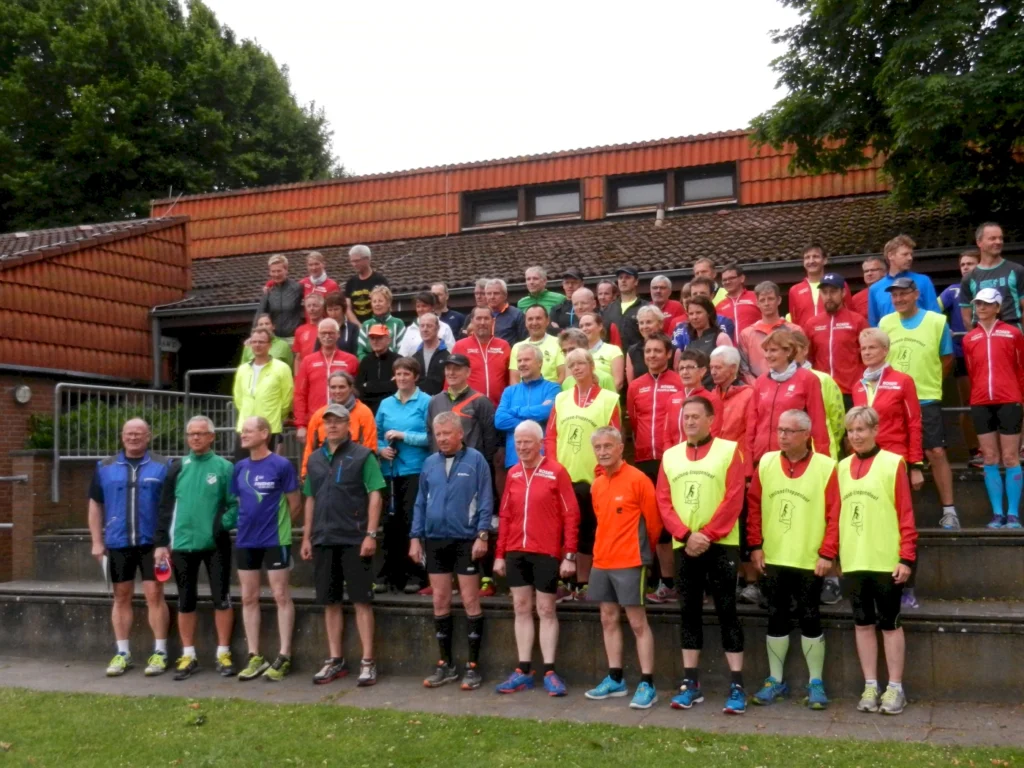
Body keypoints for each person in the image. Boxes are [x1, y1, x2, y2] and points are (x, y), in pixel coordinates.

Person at [657, 396, 748, 714]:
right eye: (686, 417)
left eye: (696, 416)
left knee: (727, 610)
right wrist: (685, 535)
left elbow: (734, 497)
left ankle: (736, 685)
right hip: (684, 545)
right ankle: (690, 684)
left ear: (711, 420)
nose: (690, 421)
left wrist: (707, 535)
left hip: (720, 545)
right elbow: (663, 502)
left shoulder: (729, 450)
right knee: (689, 613)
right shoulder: (669, 456)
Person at [746, 410, 839, 709]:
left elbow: (834, 514)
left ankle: (816, 682)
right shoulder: (767, 463)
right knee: (776, 616)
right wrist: (755, 546)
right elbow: (755, 507)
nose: (783, 435)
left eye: (790, 431)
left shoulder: (826, 467)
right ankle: (775, 680)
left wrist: (828, 552)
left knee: (810, 617)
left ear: (806, 435)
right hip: (774, 557)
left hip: (809, 559)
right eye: (780, 430)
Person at [839, 407, 917, 716]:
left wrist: (906, 557)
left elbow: (905, 513)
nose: (855, 436)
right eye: (850, 431)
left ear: (875, 430)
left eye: (861, 429)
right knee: (862, 623)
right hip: (854, 559)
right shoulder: (841, 467)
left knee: (889, 624)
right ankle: (871, 684)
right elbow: (836, 515)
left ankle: (895, 688)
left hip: (886, 560)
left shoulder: (893, 463)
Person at [301, 403, 386, 687]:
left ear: (348, 425)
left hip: (355, 537)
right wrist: (306, 536)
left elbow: (375, 494)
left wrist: (371, 535)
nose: (332, 426)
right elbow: (310, 498)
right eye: (328, 422)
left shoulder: (363, 455)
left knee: (362, 600)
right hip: (323, 538)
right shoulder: (313, 459)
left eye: (338, 421)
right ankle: (335, 659)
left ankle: (368, 661)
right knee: (330, 601)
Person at [493, 420, 579, 696]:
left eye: (527, 442)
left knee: (545, 609)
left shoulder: (556, 472)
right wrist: (499, 554)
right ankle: (523, 670)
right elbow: (505, 515)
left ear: (540, 443)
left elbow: (571, 515)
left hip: (547, 552)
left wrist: (569, 555)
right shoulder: (514, 473)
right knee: (520, 607)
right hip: (517, 550)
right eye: (518, 442)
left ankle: (550, 671)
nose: (522, 447)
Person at [412, 412, 493, 691]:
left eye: (448, 433)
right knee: (440, 602)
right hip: (435, 540)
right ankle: (445, 664)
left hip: (466, 539)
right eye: (439, 434)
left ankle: (473, 667)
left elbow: (485, 498)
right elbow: (421, 502)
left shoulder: (476, 460)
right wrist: (415, 537)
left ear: (460, 434)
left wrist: (482, 534)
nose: (443, 439)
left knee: (471, 600)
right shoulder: (429, 463)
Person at [584, 427, 663, 710]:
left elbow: (654, 524)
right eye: (598, 447)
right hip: (602, 560)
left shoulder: (638, 480)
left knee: (637, 622)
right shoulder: (596, 484)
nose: (603, 451)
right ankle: (615, 678)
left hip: (630, 560)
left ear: (620, 448)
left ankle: (648, 683)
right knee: (607, 618)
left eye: (608, 446)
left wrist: (641, 553)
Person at [154, 416, 236, 680]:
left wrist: (220, 525)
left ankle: (223, 653)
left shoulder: (225, 467)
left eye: (201, 433)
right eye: (191, 434)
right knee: (185, 600)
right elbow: (165, 508)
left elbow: (236, 504)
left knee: (221, 597)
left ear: (212, 437)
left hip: (215, 544)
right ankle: (188, 655)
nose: (196, 438)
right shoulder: (177, 467)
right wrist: (160, 543)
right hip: (181, 544)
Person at [88, 418, 170, 677]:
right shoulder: (104, 467)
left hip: (152, 545)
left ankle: (160, 652)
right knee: (120, 597)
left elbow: (171, 507)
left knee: (154, 595)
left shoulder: (164, 466)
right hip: (118, 542)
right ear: (122, 436)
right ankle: (122, 653)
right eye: (128, 433)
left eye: (138, 433)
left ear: (149, 436)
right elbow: (94, 505)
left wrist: (165, 542)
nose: (133, 437)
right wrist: (97, 541)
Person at [878, 278, 958, 529]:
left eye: (903, 294)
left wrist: (929, 381)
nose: (898, 299)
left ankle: (949, 510)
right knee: (891, 456)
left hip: (925, 397)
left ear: (916, 294)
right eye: (895, 295)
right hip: (892, 398)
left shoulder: (936, 321)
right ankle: (890, 513)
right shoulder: (885, 323)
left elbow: (947, 358)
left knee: (935, 451)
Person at [545, 349, 622, 600]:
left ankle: (584, 583)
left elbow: (613, 437)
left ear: (591, 366)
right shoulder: (561, 399)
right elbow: (551, 436)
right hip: (563, 477)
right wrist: (554, 468)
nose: (576, 368)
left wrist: (601, 474)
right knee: (563, 531)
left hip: (593, 479)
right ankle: (565, 582)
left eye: (580, 363)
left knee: (589, 531)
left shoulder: (609, 399)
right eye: (571, 365)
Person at [231, 416, 301, 682]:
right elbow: (240, 501)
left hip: (275, 540)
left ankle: (284, 655)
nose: (243, 434)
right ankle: (254, 655)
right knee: (248, 597)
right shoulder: (239, 467)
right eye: (243, 430)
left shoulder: (281, 465)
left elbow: (295, 503)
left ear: (265, 433)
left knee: (280, 595)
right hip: (246, 540)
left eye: (249, 430)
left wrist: (279, 528)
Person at [627, 334, 683, 602]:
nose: (651, 355)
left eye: (657, 351)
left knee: (677, 521)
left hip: (672, 460)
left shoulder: (679, 383)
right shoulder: (636, 386)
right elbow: (634, 421)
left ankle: (686, 581)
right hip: (644, 460)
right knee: (655, 524)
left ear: (669, 354)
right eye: (648, 351)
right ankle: (666, 582)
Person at [962, 288, 1024, 528]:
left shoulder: (1013, 334)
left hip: (1009, 400)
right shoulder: (969, 339)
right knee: (989, 456)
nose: (982, 308)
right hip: (980, 402)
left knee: (1010, 456)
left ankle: (1013, 514)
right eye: (978, 304)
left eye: (987, 304)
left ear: (998, 307)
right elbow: (971, 370)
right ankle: (997, 513)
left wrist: (1020, 397)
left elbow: (1020, 367)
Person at [375, 357, 431, 594]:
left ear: (415, 376)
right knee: (390, 523)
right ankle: (389, 575)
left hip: (415, 471)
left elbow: (432, 437)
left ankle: (415, 575)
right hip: (390, 471)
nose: (401, 378)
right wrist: (381, 448)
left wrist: (403, 436)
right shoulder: (386, 403)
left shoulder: (427, 401)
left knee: (411, 522)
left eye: (406, 374)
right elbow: (376, 434)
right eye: (398, 374)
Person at [747, 329, 830, 466]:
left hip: (794, 458)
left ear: (788, 352)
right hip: (762, 459)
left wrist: (822, 462)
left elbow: (818, 424)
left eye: (773, 350)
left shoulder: (808, 379)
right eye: (766, 351)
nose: (768, 355)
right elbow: (752, 425)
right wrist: (749, 466)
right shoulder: (761, 381)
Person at [940, 250, 982, 465]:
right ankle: (975, 451)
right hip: (960, 354)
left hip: (986, 353)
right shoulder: (952, 291)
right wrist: (943, 328)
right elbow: (933, 310)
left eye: (970, 263)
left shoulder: (989, 288)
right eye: (963, 264)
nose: (966, 267)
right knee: (970, 402)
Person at [803, 273, 868, 405]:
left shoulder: (857, 321)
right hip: (823, 391)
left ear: (843, 292)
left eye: (833, 292)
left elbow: (867, 356)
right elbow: (808, 357)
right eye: (824, 292)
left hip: (851, 392)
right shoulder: (812, 324)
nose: (828, 296)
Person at [301, 371, 378, 479]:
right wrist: (305, 475)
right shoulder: (319, 415)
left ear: (350, 388)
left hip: (354, 472)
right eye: (333, 387)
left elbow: (370, 447)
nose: (337, 391)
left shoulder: (364, 413)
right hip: (324, 471)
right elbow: (310, 448)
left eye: (342, 387)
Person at [232, 328, 293, 460]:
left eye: (261, 342)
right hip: (245, 428)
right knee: (242, 467)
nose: (257, 345)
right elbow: (238, 398)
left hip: (270, 428)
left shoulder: (282, 368)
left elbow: (287, 399)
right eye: (254, 342)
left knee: (267, 471)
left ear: (269, 345)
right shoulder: (242, 369)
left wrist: (275, 416)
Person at [293, 319, 360, 440]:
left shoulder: (351, 360)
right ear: (318, 335)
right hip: (316, 420)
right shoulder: (308, 361)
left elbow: (356, 393)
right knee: (317, 458)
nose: (327, 336)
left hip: (345, 420)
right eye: (323, 333)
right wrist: (301, 425)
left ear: (338, 334)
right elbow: (300, 394)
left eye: (331, 333)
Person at [495, 345, 561, 468]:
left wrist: (515, 411)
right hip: (515, 460)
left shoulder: (553, 388)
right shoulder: (509, 391)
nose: (522, 364)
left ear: (540, 363)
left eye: (527, 360)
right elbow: (499, 420)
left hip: (543, 459)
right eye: (519, 361)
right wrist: (532, 427)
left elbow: (546, 412)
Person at [427, 353, 497, 462]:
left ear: (468, 372)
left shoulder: (480, 401)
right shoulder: (435, 401)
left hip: (471, 466)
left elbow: (490, 439)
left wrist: (482, 464)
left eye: (457, 369)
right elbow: (430, 435)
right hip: (441, 465)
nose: (451, 373)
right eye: (448, 369)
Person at [793, 330, 845, 461]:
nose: (789, 354)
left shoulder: (824, 379)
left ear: (805, 350)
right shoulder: (777, 381)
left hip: (821, 450)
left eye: (793, 349)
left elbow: (837, 418)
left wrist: (831, 441)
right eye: (785, 350)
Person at [960, 222, 1024, 329]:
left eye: (1000, 238)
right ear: (979, 242)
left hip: (1012, 332)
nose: (998, 242)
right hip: (982, 333)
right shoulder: (969, 278)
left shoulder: (1017, 270)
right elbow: (966, 317)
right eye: (992, 238)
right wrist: (977, 339)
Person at [868, 235, 940, 326]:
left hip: (919, 337)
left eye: (911, 254)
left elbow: (936, 316)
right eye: (905, 254)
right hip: (890, 338)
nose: (910, 258)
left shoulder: (923, 281)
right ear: (890, 255)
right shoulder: (875, 289)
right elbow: (873, 324)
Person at [453, 305, 512, 407]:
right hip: (468, 409)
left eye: (486, 318)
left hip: (499, 408)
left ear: (493, 321)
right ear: (472, 321)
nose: (482, 322)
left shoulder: (504, 346)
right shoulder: (460, 346)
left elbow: (510, 379)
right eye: (479, 318)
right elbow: (451, 378)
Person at [738, 281, 795, 381]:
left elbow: (800, 362)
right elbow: (744, 369)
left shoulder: (794, 330)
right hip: (758, 387)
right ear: (757, 303)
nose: (767, 303)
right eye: (762, 300)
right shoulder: (746, 334)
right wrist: (757, 386)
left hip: (790, 384)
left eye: (771, 299)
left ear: (779, 300)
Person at [788, 244, 852, 329]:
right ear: (803, 262)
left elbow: (850, 314)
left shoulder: (839, 284)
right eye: (807, 257)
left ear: (824, 260)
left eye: (815, 256)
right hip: (805, 340)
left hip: (832, 337)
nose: (811, 261)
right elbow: (794, 322)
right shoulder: (795, 290)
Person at [662, 350, 714, 451]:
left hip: (700, 456)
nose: (685, 372)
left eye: (690, 367)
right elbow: (666, 435)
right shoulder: (672, 399)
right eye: (681, 368)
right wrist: (668, 456)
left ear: (702, 371)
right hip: (675, 458)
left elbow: (714, 433)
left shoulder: (711, 399)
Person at [678, 296, 732, 389]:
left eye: (698, 313)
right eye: (691, 314)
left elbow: (731, 369)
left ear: (709, 314)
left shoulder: (720, 337)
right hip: (696, 394)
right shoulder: (690, 343)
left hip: (716, 393)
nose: (694, 317)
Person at [509, 305, 565, 385]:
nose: (534, 323)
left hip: (551, 394)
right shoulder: (517, 347)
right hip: (524, 395)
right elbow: (514, 380)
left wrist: (547, 392)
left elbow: (563, 376)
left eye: (538, 318)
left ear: (547, 320)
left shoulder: (558, 343)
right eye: (530, 319)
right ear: (525, 322)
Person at [256, 254, 304, 341]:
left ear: (286, 270)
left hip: (293, 338)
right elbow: (260, 314)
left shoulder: (297, 288)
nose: (276, 274)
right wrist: (254, 335)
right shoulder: (269, 291)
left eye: (279, 271)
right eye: (273, 271)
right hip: (274, 339)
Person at [355, 324, 399, 414]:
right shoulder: (365, 361)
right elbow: (359, 390)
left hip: (393, 410)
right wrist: (387, 385)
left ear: (388, 340)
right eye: (372, 338)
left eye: (379, 338)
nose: (375, 341)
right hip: (369, 411)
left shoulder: (398, 360)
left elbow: (397, 388)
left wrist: (369, 386)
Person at [602, 266, 646, 353]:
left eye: (627, 277)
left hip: (639, 358)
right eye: (620, 278)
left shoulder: (645, 308)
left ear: (636, 282)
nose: (623, 280)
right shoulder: (608, 309)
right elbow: (604, 338)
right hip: (614, 360)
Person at [398, 291, 456, 357]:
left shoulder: (444, 327)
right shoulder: (410, 329)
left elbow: (451, 352)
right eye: (418, 306)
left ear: (432, 307)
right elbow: (403, 354)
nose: (421, 309)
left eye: (424, 306)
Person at [559, 328, 616, 392]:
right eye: (564, 351)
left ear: (585, 348)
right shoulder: (567, 383)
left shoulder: (605, 378)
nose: (568, 354)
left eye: (572, 349)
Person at [579, 311, 625, 392]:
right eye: (581, 326)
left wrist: (598, 398)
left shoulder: (613, 350)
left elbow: (618, 382)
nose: (584, 329)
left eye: (588, 325)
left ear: (600, 326)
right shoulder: (578, 353)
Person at [345, 244, 389, 325]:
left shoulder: (380, 280)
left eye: (357, 261)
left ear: (367, 259)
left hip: (378, 325)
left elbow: (387, 305)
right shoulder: (350, 282)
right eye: (352, 261)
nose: (354, 264)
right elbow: (348, 308)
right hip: (357, 328)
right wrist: (360, 327)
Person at [716, 264, 760, 345]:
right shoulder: (719, 306)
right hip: (731, 353)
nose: (727, 282)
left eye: (731, 278)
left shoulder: (756, 297)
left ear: (742, 278)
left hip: (755, 348)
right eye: (724, 280)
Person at [357, 285, 406, 358]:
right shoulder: (366, 325)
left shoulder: (398, 323)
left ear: (388, 303)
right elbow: (360, 352)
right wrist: (368, 364)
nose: (377, 304)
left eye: (380, 301)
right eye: (374, 301)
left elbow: (402, 350)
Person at [411, 313, 450, 396]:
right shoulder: (414, 357)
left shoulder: (447, 356)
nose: (425, 329)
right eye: (422, 326)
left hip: (441, 402)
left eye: (429, 326)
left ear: (437, 328)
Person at [626, 305, 666, 383]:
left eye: (649, 322)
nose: (645, 326)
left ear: (660, 324)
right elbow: (631, 385)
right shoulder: (632, 352)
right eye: (641, 323)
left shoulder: (672, 349)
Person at [486, 278, 527, 346]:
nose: (492, 297)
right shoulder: (480, 315)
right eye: (489, 293)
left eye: (496, 293)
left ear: (505, 295)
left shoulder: (517, 315)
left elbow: (524, 341)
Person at [292, 293, 327, 364]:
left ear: (322, 308)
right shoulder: (300, 330)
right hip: (306, 370)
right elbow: (298, 358)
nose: (312, 309)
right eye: (309, 306)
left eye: (315, 305)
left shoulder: (329, 327)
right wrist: (298, 375)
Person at [323, 291, 361, 356]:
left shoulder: (353, 328)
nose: (333, 313)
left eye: (336, 309)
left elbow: (356, 352)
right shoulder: (323, 328)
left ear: (343, 309)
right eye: (330, 310)